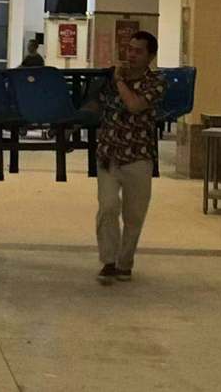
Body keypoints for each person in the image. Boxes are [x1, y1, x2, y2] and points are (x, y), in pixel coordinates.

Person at [85, 31, 166, 284]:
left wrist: (120, 82)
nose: (131, 55)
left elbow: (135, 105)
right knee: (108, 207)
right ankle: (108, 261)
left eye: (138, 51)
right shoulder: (109, 79)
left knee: (134, 216)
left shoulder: (156, 82)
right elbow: (93, 105)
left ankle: (124, 263)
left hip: (138, 156)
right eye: (129, 49)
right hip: (109, 154)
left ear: (150, 56)